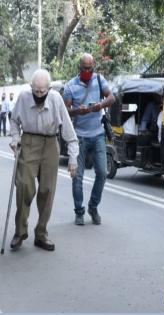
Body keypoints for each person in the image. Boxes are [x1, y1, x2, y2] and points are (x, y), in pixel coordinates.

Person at [9, 69, 78, 251]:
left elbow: (69, 132)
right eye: (36, 91)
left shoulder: (56, 99)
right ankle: (20, 231)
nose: (39, 95)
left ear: (49, 88)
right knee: (24, 185)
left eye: (42, 91)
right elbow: (14, 121)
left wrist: (73, 160)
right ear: (31, 87)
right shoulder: (23, 97)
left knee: (47, 190)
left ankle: (41, 233)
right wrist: (15, 138)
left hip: (50, 143)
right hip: (29, 140)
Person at [63, 53, 115, 226]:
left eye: (90, 68)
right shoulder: (70, 86)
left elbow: (112, 98)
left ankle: (93, 206)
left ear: (93, 66)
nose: (87, 71)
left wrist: (99, 105)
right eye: (84, 68)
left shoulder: (99, 79)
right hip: (78, 137)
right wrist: (79, 111)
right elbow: (65, 111)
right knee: (77, 177)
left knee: (101, 173)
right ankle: (79, 211)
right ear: (79, 67)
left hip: (98, 134)